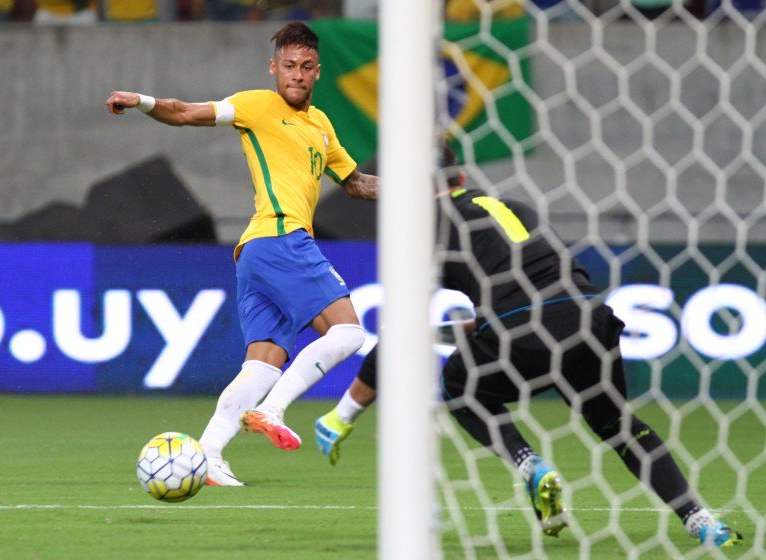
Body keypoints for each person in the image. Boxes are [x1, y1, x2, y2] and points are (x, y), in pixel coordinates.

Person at [314, 144, 743, 548]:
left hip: (522, 331)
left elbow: (402, 330)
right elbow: (524, 287)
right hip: (588, 320)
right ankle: (701, 521)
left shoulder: (427, 232)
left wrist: (344, 413)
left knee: (461, 387)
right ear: (460, 174)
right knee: (616, 427)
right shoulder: (508, 206)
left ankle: (529, 464)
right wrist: (460, 329)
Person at [106, 22, 379, 487]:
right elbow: (187, 113)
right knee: (350, 333)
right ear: (274, 69)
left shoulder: (322, 125)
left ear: (318, 73)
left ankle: (209, 454)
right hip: (281, 239)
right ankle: (272, 409)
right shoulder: (257, 105)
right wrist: (144, 102)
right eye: (288, 66)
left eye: (306, 67)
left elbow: (354, 183)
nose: (296, 74)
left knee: (263, 361)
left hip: (255, 252)